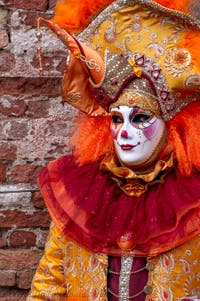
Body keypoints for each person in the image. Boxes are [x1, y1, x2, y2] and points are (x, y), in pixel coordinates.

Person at [27, 0, 200, 300]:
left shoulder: (193, 202)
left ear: (172, 125)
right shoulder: (78, 194)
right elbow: (48, 289)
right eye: (116, 119)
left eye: (141, 118)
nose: (124, 132)